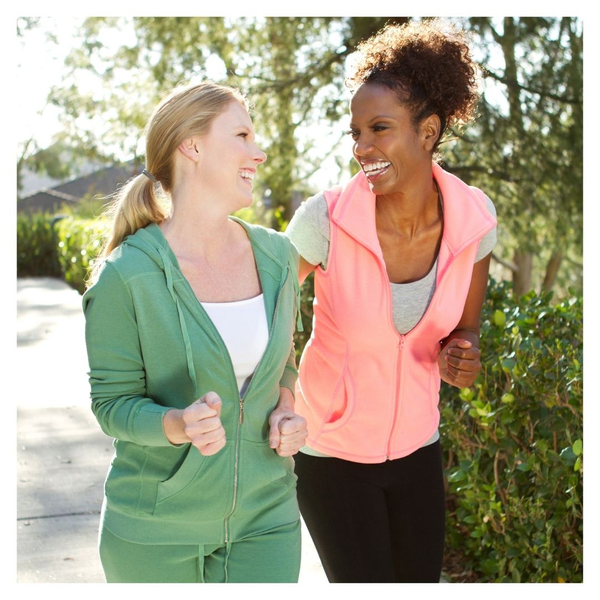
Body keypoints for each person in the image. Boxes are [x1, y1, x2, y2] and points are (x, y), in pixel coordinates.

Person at [285, 20, 497, 583]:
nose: (362, 148)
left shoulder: (475, 222)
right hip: (331, 453)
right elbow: (263, 306)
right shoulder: (325, 221)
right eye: (355, 132)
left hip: (417, 449)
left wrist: (465, 352)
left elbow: (467, 332)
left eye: (379, 128)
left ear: (428, 131)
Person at [82, 81, 308, 583]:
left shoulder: (278, 258)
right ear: (193, 146)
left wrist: (288, 410)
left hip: (266, 519)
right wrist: (178, 425)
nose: (259, 151)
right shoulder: (126, 275)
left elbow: (281, 366)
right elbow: (112, 404)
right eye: (243, 134)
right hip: (155, 530)